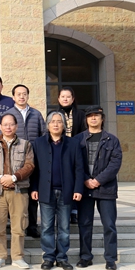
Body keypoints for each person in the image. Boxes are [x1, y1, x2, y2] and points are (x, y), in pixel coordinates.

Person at [31, 111, 84, 270]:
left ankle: (62, 257)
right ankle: (48, 257)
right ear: (47, 125)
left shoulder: (73, 143)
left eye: (59, 121)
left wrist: (78, 189)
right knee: (46, 227)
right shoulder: (38, 143)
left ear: (64, 125)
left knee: (64, 228)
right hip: (45, 191)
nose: (56, 124)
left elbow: (79, 168)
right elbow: (34, 169)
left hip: (66, 191)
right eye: (52, 121)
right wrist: (34, 188)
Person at [0, 113, 34, 269]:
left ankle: (17, 257)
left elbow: (29, 165)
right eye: (5, 124)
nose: (8, 127)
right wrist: (0, 178)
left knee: (19, 225)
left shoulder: (25, 144)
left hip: (19, 190)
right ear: (0, 126)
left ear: (16, 126)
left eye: (11, 124)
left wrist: (13, 177)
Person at [77, 106, 123, 270]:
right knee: (84, 224)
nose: (93, 118)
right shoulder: (78, 139)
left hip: (106, 188)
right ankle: (85, 257)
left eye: (96, 115)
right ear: (86, 119)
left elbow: (115, 164)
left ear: (102, 119)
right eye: (90, 116)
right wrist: (85, 179)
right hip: (85, 188)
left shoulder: (112, 140)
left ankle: (110, 259)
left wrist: (97, 180)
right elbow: (75, 163)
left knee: (109, 225)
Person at [5, 84, 47, 239]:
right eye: (19, 94)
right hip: (14, 159)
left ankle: (32, 226)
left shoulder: (36, 114)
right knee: (13, 194)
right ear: (13, 97)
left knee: (32, 194)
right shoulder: (9, 114)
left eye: (24, 94)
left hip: (33, 159)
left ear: (28, 96)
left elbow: (44, 135)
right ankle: (14, 224)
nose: (22, 97)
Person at [58, 86, 87, 224]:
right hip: (60, 150)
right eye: (63, 96)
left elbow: (83, 134)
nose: (65, 99)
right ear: (58, 99)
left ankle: (74, 212)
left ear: (73, 99)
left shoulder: (80, 115)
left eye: (68, 97)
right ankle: (62, 211)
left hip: (76, 150)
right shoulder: (54, 114)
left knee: (75, 179)